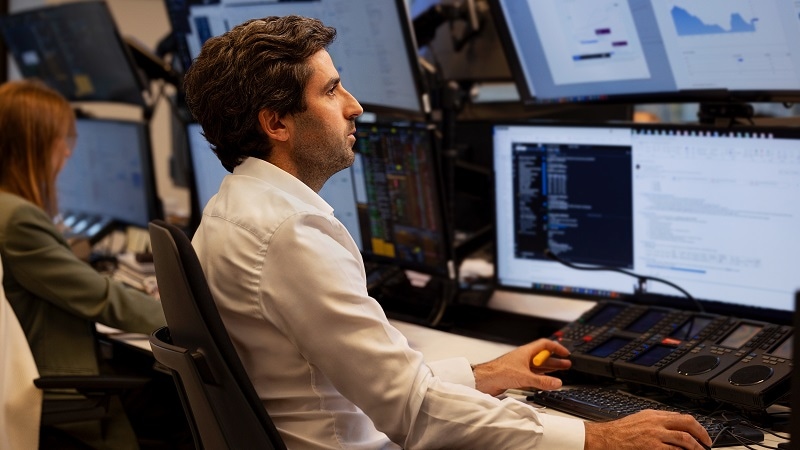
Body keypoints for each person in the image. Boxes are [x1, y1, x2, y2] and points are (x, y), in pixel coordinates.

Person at [183, 15, 713, 449]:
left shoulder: (232, 208)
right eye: (332, 90)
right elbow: (413, 413)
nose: (355, 106)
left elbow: (377, 381)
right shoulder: (290, 232)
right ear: (276, 123)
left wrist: (481, 372)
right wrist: (595, 437)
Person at [0, 79, 168, 450]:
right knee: (184, 406)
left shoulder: (8, 207)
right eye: (62, 140)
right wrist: (189, 319)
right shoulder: (17, 220)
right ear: (33, 147)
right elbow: (101, 298)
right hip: (59, 385)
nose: (67, 152)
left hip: (49, 364)